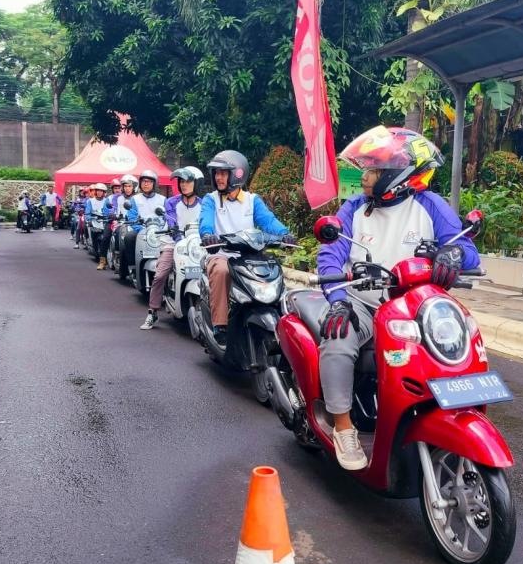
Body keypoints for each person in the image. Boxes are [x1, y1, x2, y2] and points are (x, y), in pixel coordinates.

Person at [315, 125, 480, 470]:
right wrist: (339, 299)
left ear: (396, 173)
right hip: (364, 301)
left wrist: (452, 256)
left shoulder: (430, 205)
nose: (364, 176)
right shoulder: (354, 209)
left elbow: (465, 247)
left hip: (413, 307)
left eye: (372, 169)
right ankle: (344, 426)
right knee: (338, 338)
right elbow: (330, 255)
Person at [199, 150, 295, 345]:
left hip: (249, 256)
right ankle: (220, 325)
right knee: (221, 270)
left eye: (223, 173)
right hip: (221, 254)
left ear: (237, 174)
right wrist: (208, 235)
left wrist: (285, 234)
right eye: (216, 173)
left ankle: (280, 316)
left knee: (273, 270)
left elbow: (268, 221)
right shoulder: (211, 200)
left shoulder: (252, 200)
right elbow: (205, 222)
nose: (218, 177)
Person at [140, 166, 204, 330]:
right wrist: (179, 238)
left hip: (197, 246)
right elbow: (172, 222)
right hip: (174, 243)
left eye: (188, 181)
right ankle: (152, 311)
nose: (183, 185)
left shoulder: (204, 204)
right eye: (181, 181)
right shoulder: (171, 202)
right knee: (160, 275)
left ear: (197, 183)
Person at [122, 169, 167, 276]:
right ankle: (133, 267)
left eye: (149, 181)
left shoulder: (163, 199)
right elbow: (132, 217)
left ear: (155, 184)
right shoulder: (135, 199)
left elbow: (167, 217)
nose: (146, 184)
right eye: (144, 181)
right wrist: (142, 230)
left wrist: (162, 230)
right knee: (129, 238)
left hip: (159, 231)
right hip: (141, 230)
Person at [102, 174, 137, 268]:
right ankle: (113, 255)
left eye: (129, 186)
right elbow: (113, 208)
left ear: (134, 187)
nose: (127, 188)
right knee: (109, 236)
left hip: (135, 224)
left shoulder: (137, 198)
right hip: (119, 223)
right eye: (125, 186)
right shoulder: (116, 198)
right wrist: (112, 214)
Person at [82, 183, 110, 268]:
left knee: (104, 240)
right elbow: (87, 212)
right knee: (94, 241)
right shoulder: (90, 201)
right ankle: (96, 252)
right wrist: (89, 220)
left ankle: (104, 258)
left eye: (101, 191)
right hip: (94, 223)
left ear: (104, 192)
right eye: (98, 191)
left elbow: (107, 211)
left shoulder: (106, 201)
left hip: (104, 223)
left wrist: (107, 216)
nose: (99, 193)